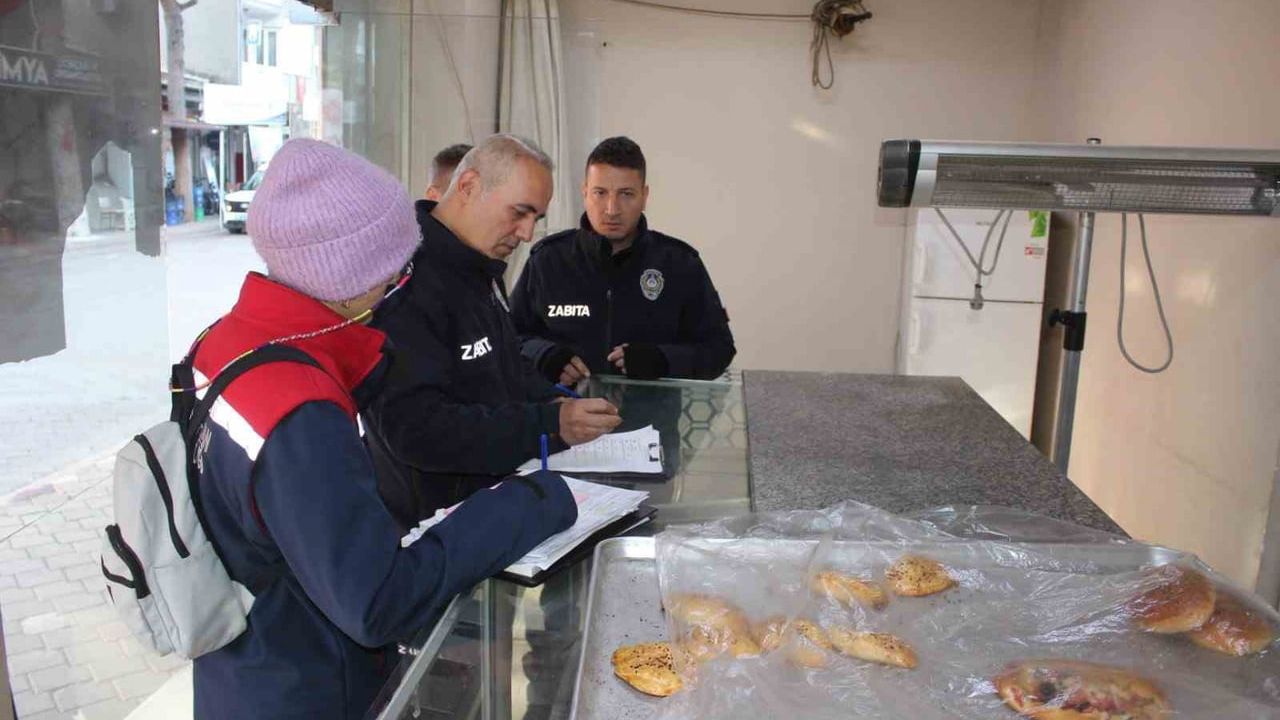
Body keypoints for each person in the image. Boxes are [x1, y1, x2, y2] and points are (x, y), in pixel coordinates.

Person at [187, 139, 578, 720]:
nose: (400, 278)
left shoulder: (222, 343)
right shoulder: (301, 407)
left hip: (242, 665)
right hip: (309, 687)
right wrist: (527, 504)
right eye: (392, 266)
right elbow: (377, 601)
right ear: (349, 270)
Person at [364, 135, 622, 528]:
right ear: (468, 186)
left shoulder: (479, 264)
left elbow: (504, 365)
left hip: (492, 503)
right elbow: (416, 431)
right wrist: (550, 426)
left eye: (536, 219)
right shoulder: (405, 280)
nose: (526, 234)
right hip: (430, 530)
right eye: (520, 213)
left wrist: (553, 401)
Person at [510, 136, 736, 383]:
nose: (611, 209)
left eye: (626, 194)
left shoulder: (680, 264)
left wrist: (663, 360)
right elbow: (507, 337)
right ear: (585, 192)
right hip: (565, 415)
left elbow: (719, 349)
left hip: (653, 418)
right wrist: (543, 354)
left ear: (644, 196)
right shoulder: (547, 261)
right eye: (600, 193)